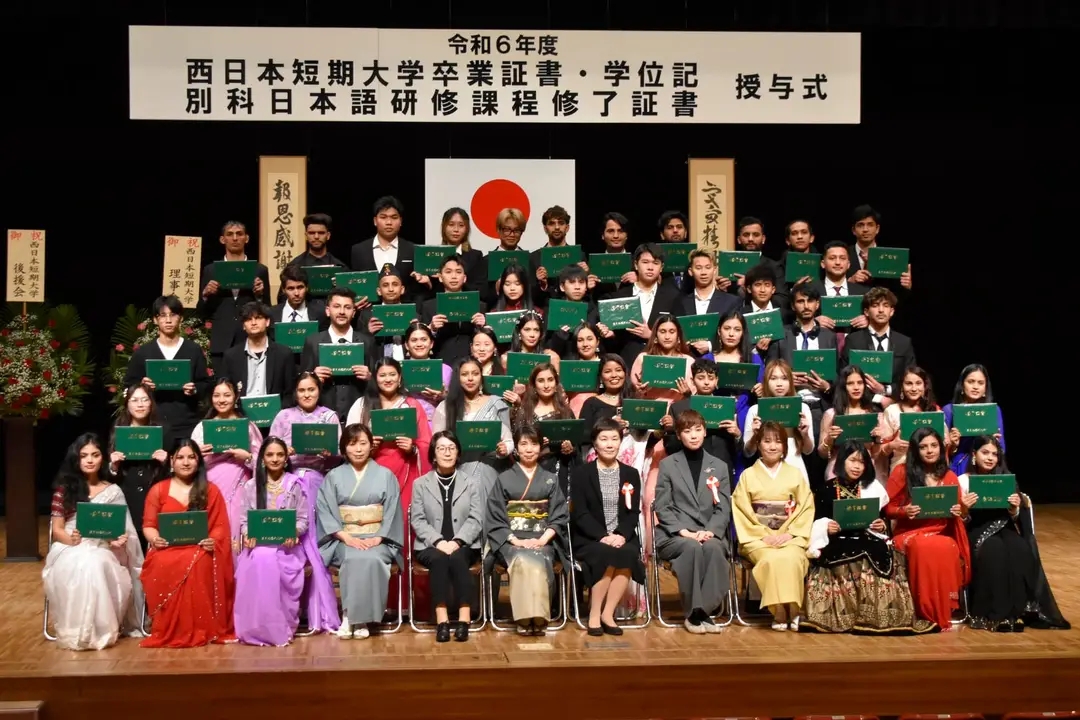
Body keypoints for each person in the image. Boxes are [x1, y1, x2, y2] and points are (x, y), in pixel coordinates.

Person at [802, 440, 933, 635]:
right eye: (852, 460)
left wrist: (881, 525)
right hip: (836, 539)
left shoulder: (872, 488)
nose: (857, 466)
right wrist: (826, 526)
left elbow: (882, 520)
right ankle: (849, 614)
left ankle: (882, 616)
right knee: (850, 554)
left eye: (861, 462)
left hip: (867, 535)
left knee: (878, 551)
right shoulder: (826, 489)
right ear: (842, 461)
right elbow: (815, 521)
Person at [43, 433, 144, 650]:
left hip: (103, 547)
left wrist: (118, 541)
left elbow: (121, 531)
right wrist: (72, 541)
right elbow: (57, 530)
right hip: (69, 546)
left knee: (96, 561)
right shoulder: (64, 489)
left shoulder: (113, 491)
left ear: (103, 458)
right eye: (84, 455)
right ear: (76, 459)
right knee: (86, 561)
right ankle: (78, 630)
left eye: (95, 455)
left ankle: (99, 629)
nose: (90, 460)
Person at [234, 437, 338, 645]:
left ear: (286, 458)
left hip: (288, 548)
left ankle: (279, 627)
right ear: (262, 459)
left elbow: (303, 520)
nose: (275, 459)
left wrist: (295, 533)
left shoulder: (295, 484)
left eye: (280, 455)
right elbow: (245, 520)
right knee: (262, 558)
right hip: (258, 547)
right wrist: (249, 534)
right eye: (270, 455)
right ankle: (259, 628)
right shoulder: (251, 486)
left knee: (270, 560)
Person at [958, 436, 1069, 631]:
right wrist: (965, 509)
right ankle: (995, 614)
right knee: (994, 549)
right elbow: (960, 521)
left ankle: (1018, 612)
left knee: (1019, 547)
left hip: (1004, 527)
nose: (990, 458)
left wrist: (1014, 508)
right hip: (976, 530)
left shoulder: (1006, 479)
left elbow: (1016, 518)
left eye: (995, 454)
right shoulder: (963, 481)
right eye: (985, 453)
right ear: (974, 455)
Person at [140, 439, 236, 647]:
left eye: (191, 457)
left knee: (200, 561)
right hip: (166, 549)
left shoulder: (210, 490)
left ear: (198, 461)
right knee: (161, 563)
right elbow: (148, 525)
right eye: (180, 457)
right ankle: (169, 627)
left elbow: (220, 526)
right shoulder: (158, 490)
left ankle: (200, 627)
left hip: (199, 548)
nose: (186, 462)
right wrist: (155, 538)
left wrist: (212, 541)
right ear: (171, 461)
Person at [316, 424, 403, 640]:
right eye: (352, 444)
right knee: (352, 557)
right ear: (344, 448)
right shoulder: (333, 476)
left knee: (372, 558)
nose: (358, 449)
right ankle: (349, 615)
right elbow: (325, 509)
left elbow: (392, 510)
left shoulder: (386, 475)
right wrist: (345, 536)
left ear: (371, 445)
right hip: (343, 538)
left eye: (363, 443)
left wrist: (379, 537)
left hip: (378, 538)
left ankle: (360, 618)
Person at [485, 425, 569, 636]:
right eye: (523, 444)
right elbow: (495, 515)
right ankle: (524, 617)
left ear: (541, 447)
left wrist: (543, 540)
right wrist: (516, 541)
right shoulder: (504, 478)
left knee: (540, 558)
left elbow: (559, 515)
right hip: (511, 541)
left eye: (534, 444)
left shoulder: (550, 478)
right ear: (516, 448)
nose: (529, 449)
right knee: (523, 559)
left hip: (543, 539)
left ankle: (539, 616)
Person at [885, 427, 972, 630]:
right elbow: (888, 509)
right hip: (908, 533)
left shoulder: (949, 476)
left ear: (941, 448)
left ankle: (944, 608)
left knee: (948, 547)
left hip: (941, 531)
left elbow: (960, 513)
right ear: (915, 450)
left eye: (934, 445)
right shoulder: (901, 472)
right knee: (922, 547)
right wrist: (904, 511)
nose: (930, 450)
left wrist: (959, 510)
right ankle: (924, 610)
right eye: (923, 447)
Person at [654, 410, 731, 634]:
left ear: (705, 432)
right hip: (676, 535)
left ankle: (700, 612)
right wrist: (684, 532)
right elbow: (662, 506)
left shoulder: (719, 466)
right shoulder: (668, 465)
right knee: (692, 548)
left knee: (714, 548)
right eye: (687, 431)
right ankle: (696, 614)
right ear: (679, 435)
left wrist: (710, 531)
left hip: (708, 533)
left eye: (698, 430)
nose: (694, 435)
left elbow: (723, 507)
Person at [733, 421, 814, 631]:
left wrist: (790, 534)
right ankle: (778, 609)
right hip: (758, 537)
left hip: (790, 535)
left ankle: (794, 608)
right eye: (767, 441)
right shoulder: (748, 475)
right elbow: (742, 510)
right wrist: (763, 535)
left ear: (784, 446)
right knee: (771, 558)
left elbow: (805, 506)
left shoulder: (795, 474)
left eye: (778, 442)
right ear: (758, 444)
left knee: (793, 557)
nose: (772, 446)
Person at [570, 419, 645, 636]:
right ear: (595, 443)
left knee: (627, 553)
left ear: (621, 442)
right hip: (590, 538)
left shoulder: (631, 474)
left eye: (614, 439)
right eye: (604, 439)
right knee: (606, 554)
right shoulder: (581, 473)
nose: (610, 444)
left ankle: (608, 614)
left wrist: (621, 535)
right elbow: (580, 513)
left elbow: (633, 512)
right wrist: (603, 536)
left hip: (622, 536)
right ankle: (594, 614)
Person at [411, 431, 487, 642]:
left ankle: (464, 618)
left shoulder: (471, 483)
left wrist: (457, 541)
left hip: (465, 544)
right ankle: (442, 619)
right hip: (429, 545)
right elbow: (418, 519)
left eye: (451, 448)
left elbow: (476, 518)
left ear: (458, 453)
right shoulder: (420, 484)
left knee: (457, 557)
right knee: (439, 559)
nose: (447, 452)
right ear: (433, 454)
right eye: (441, 448)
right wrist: (438, 541)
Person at [122, 295, 213, 447]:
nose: (168, 320)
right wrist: (142, 386)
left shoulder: (193, 350)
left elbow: (206, 384)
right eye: (163, 315)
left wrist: (194, 389)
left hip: (187, 422)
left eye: (173, 315)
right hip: (153, 423)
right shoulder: (144, 352)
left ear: (181, 318)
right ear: (155, 320)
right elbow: (128, 385)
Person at [190, 378, 264, 557]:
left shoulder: (248, 427)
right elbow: (187, 464)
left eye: (227, 395)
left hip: (240, 486)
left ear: (236, 397)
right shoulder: (201, 428)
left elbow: (264, 463)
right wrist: (197, 455)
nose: (221, 400)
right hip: (210, 487)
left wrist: (247, 457)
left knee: (236, 527)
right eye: (217, 395)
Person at [109, 383, 169, 550]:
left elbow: (175, 471)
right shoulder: (118, 430)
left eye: (144, 400)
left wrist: (167, 462)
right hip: (127, 497)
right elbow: (108, 475)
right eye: (134, 400)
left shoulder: (164, 431)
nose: (140, 404)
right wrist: (113, 466)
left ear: (151, 403)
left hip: (155, 496)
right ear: (127, 404)